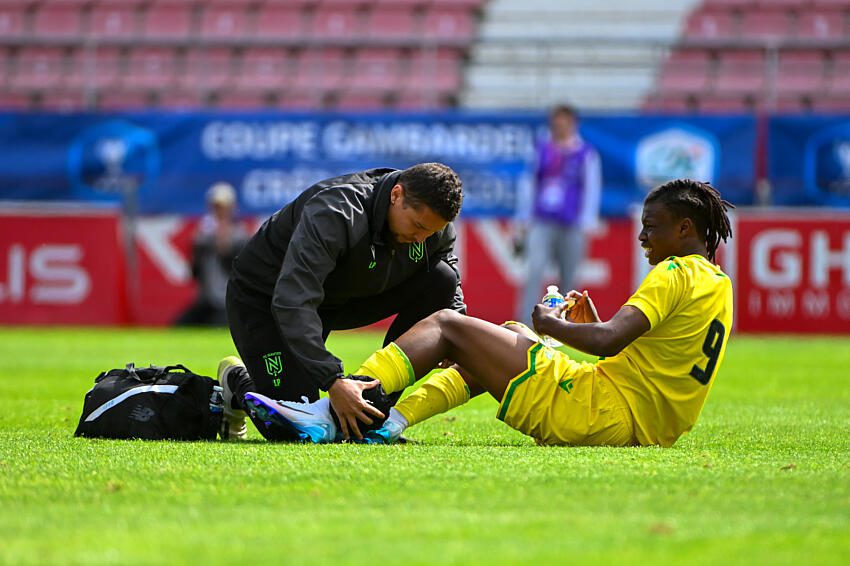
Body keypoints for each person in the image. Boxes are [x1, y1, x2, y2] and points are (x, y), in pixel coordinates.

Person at [244, 179, 733, 448]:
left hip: (599, 413)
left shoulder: (673, 273)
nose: (643, 237)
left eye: (652, 227)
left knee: (449, 326)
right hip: (644, 427)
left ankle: (331, 413)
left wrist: (550, 323)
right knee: (507, 335)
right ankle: (386, 424)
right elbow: (644, 350)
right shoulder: (718, 286)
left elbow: (608, 342)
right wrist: (570, 328)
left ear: (685, 228)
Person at [217, 163, 465, 442]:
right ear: (396, 195)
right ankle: (235, 382)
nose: (421, 239)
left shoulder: (431, 227)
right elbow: (292, 300)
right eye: (418, 226)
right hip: (267, 300)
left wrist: (452, 334)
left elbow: (448, 274)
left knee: (440, 278)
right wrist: (332, 380)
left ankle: (372, 406)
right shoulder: (335, 211)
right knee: (295, 429)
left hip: (341, 297)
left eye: (430, 233)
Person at [517, 104, 602, 325]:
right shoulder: (541, 149)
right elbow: (529, 182)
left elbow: (592, 188)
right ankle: (525, 322)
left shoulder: (585, 153)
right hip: (541, 219)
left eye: (564, 123)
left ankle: (567, 325)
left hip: (572, 222)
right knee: (534, 269)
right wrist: (523, 217)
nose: (559, 127)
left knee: (570, 276)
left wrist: (587, 221)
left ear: (573, 123)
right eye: (556, 123)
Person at [175, 182, 249, 326]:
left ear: (232, 208)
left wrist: (225, 248)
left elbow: (240, 272)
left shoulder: (240, 235)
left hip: (226, 301)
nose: (219, 211)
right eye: (216, 207)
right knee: (180, 327)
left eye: (223, 207)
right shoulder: (203, 235)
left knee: (218, 326)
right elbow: (194, 272)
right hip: (206, 300)